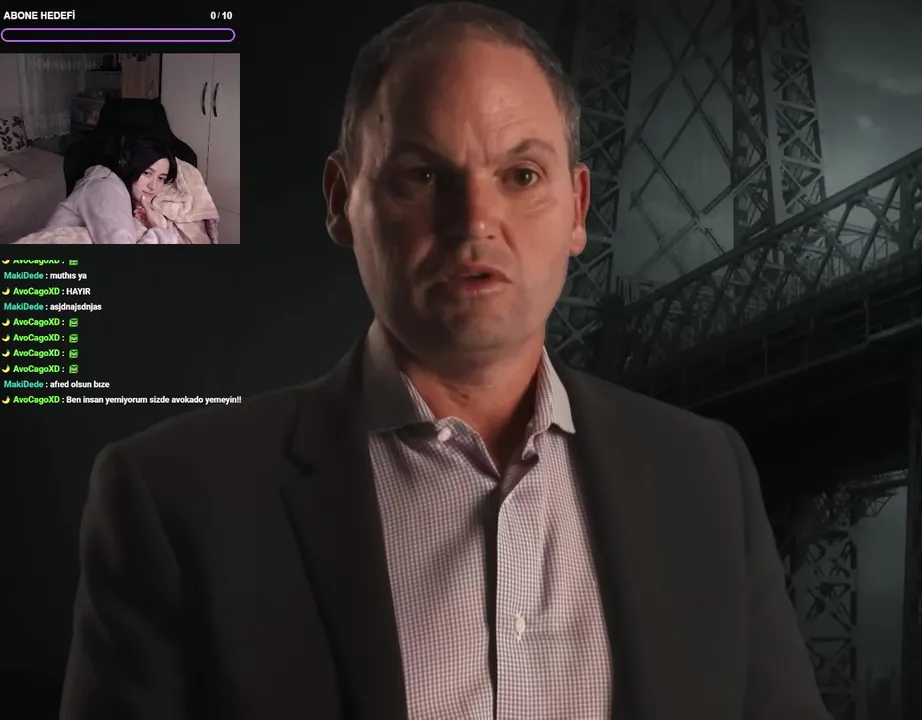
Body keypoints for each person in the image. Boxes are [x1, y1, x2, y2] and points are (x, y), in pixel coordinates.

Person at [59, 3, 828, 719]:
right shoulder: (173, 501)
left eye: (522, 175)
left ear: (579, 208)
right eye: (424, 175)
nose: (477, 221)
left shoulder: (706, 475)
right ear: (341, 200)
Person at [45, 133, 181, 244]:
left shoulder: (116, 185)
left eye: (161, 178)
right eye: (147, 173)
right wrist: (160, 231)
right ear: (128, 165)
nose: (153, 186)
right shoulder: (105, 188)